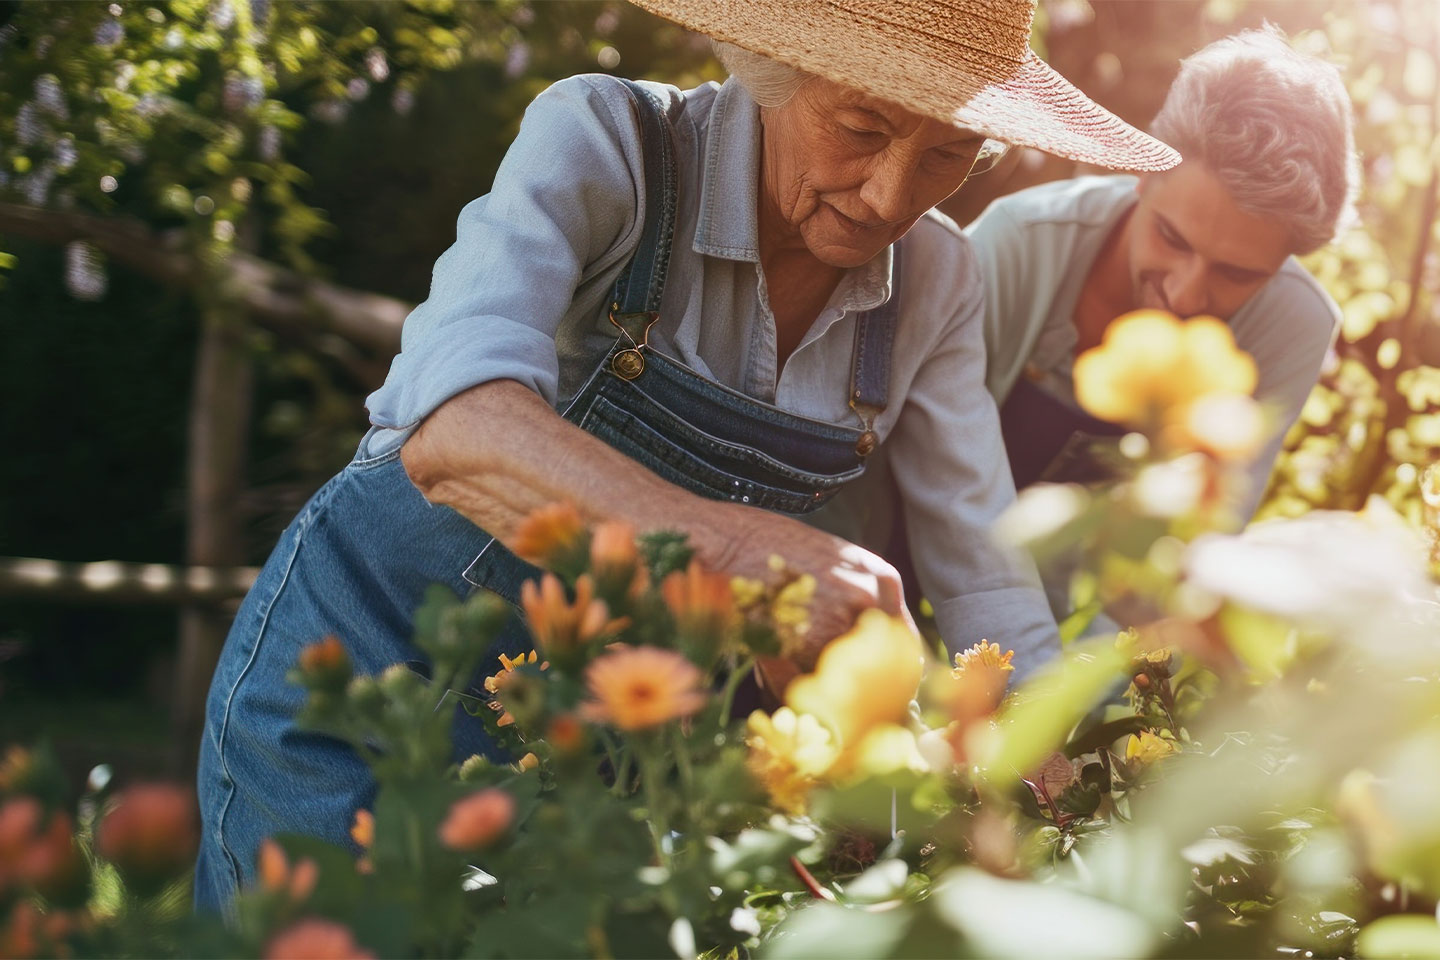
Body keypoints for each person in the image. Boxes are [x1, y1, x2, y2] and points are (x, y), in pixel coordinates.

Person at [194, 0, 1177, 910]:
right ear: (778, 64)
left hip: (607, 759)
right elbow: (456, 431)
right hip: (371, 687)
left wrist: (1060, 768)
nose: (888, 198)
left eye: (950, 152)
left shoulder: (937, 280)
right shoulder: (608, 143)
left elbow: (985, 570)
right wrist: (730, 549)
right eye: (864, 129)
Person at [973, 27, 1356, 511]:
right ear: (1143, 176)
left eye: (1237, 275)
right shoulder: (1020, 241)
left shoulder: (1295, 324)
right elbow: (921, 469)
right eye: (1172, 238)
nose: (1186, 295)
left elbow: (1206, 523)